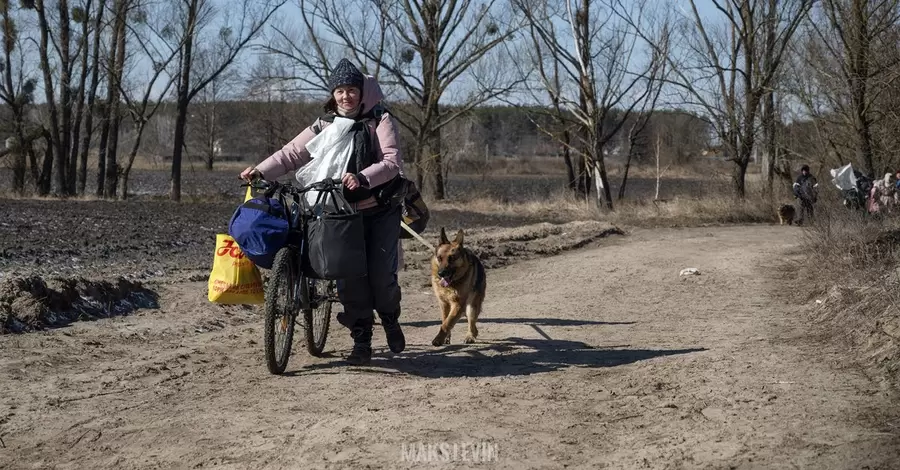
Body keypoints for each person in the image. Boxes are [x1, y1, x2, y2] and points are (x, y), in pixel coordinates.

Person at [240, 59, 404, 366]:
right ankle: (361, 340)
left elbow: (392, 163)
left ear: (362, 92)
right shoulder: (324, 125)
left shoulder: (380, 121)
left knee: (381, 278)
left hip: (377, 209)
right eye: (340, 90)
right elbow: (292, 153)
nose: (346, 97)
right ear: (333, 94)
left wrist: (363, 177)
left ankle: (390, 319)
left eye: (351, 90)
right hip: (338, 212)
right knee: (350, 276)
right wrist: (260, 171)